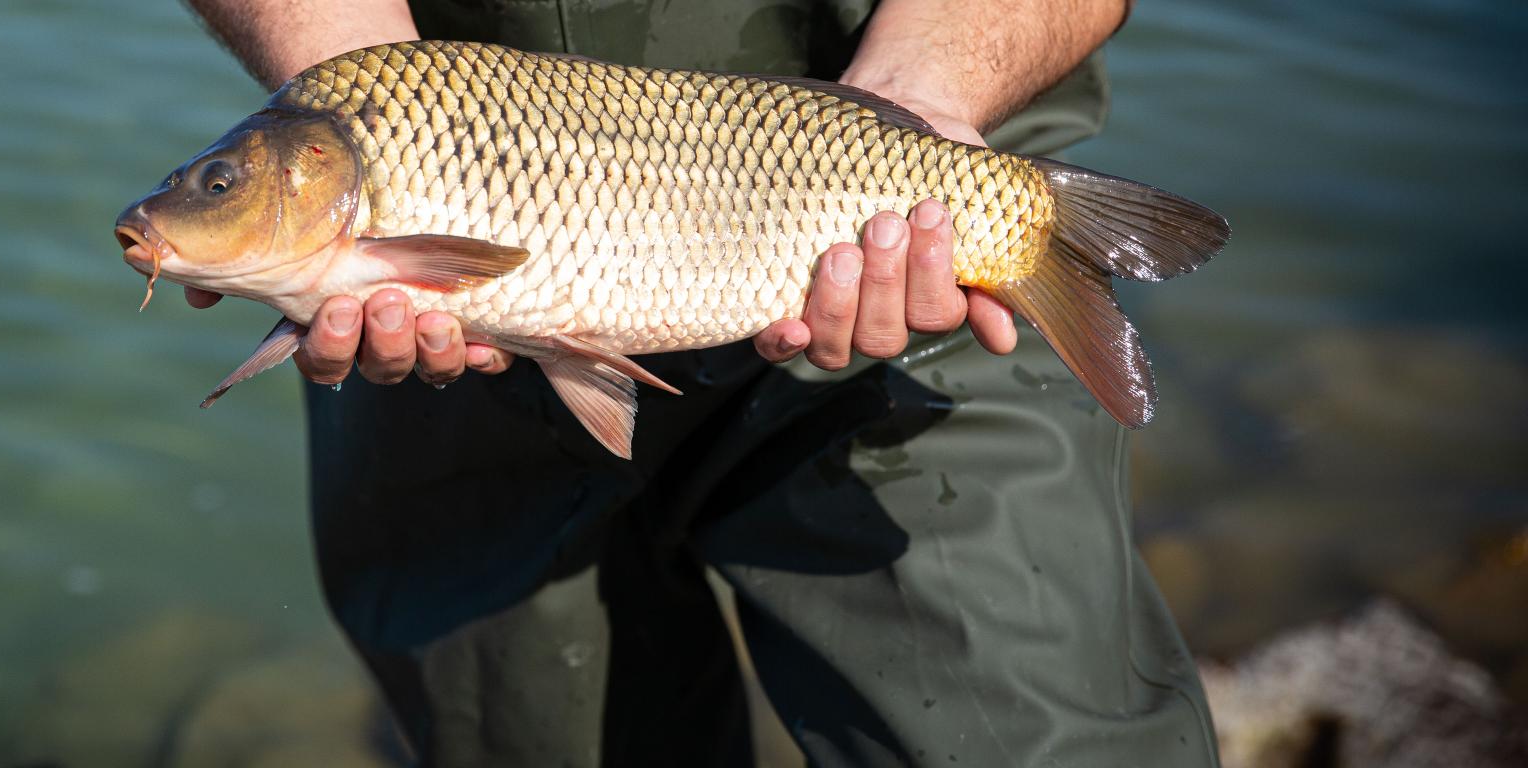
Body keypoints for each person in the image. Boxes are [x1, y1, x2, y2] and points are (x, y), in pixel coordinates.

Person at [181, 0, 1218, 765]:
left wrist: (922, 98)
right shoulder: (363, 161)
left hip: (901, 222)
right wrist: (353, 74)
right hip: (445, 341)